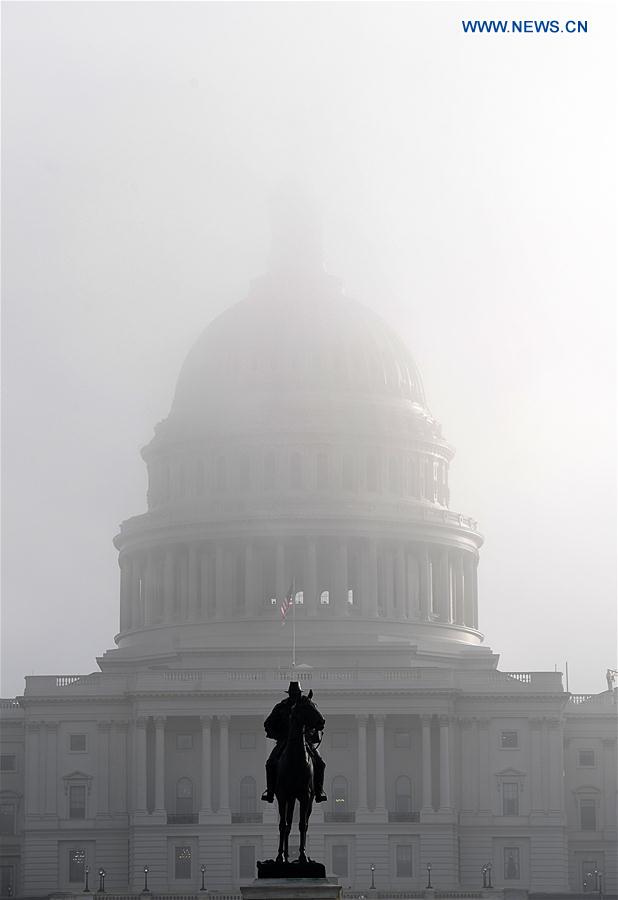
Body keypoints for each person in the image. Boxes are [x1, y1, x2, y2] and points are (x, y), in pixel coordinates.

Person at [261, 681, 327, 803]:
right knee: (270, 763)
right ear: (289, 694)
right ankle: (270, 792)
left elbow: (318, 720)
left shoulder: (307, 705)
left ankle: (319, 791)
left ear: (300, 693)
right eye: (293, 693)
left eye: (297, 693)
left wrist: (314, 730)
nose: (295, 696)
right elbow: (268, 724)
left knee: (320, 763)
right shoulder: (281, 707)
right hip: (285, 741)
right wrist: (278, 735)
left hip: (305, 741)